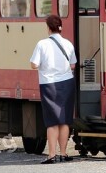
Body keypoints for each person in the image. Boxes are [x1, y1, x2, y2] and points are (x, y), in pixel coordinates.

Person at [29, 14, 77, 164]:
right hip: (67, 83)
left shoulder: (42, 44)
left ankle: (51, 155)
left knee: (52, 121)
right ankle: (63, 153)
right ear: (60, 28)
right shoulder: (68, 44)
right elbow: (73, 64)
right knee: (64, 120)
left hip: (49, 84)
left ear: (48, 28)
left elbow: (34, 64)